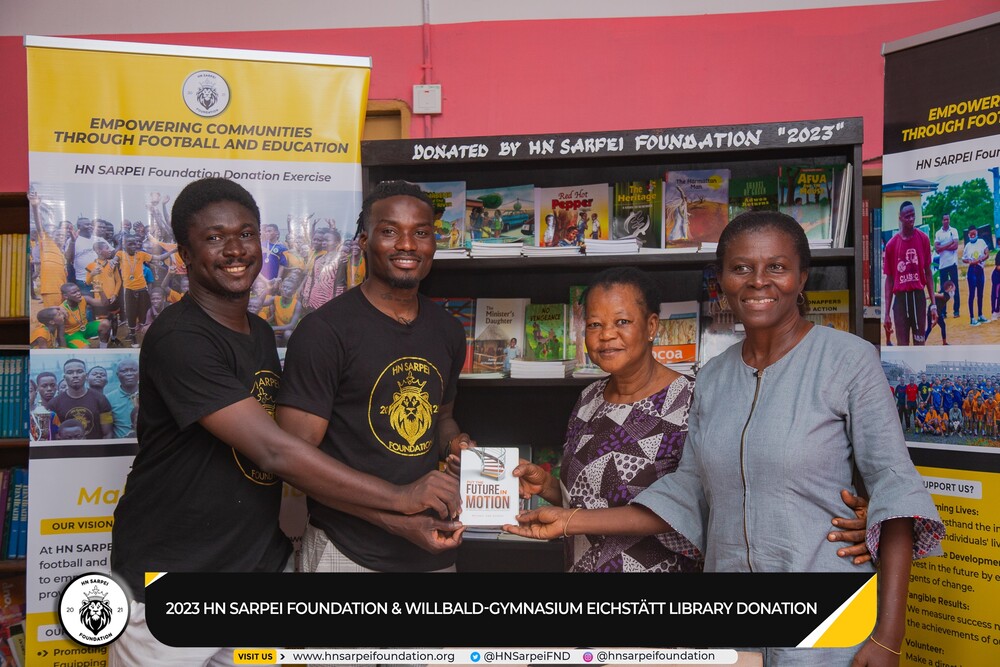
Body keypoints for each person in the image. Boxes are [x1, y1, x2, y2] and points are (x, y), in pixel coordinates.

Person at [506, 211, 944, 665]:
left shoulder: (849, 361)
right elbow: (688, 488)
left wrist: (888, 636)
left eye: (777, 266)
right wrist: (569, 519)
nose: (758, 281)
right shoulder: (713, 377)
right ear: (722, 280)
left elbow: (895, 489)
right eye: (741, 268)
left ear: (801, 277)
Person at [109, 178, 462, 666]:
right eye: (214, 238)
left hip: (256, 568)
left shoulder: (255, 331)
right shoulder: (179, 338)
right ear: (185, 255)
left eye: (246, 234)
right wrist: (401, 500)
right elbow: (277, 451)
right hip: (172, 576)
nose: (236, 250)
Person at [511, 266, 870, 575]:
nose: (606, 335)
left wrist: (572, 521)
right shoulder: (588, 399)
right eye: (594, 324)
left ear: (651, 326)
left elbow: (694, 502)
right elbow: (591, 496)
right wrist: (548, 486)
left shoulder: (692, 398)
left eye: (622, 322)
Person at [277, 180, 473, 575]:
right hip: (347, 551)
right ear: (365, 241)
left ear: (434, 243)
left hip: (432, 549)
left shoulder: (448, 330)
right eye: (390, 231)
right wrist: (397, 513)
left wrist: (457, 446)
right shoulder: (324, 332)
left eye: (421, 232)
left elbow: (442, 418)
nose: (407, 245)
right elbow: (294, 461)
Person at [883, 201, 933, 345]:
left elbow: (928, 272)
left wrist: (934, 304)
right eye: (907, 216)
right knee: (902, 344)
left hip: (918, 297)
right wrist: (886, 313)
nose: (911, 219)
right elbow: (889, 280)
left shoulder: (923, 239)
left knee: (919, 342)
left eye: (913, 215)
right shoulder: (891, 245)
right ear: (900, 218)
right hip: (900, 299)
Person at [48, 358, 114, 439]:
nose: (75, 375)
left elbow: (107, 434)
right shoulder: (54, 404)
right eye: (70, 372)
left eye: (79, 371)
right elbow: (53, 436)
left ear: (86, 376)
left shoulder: (101, 399)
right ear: (64, 377)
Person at [59, 282, 112, 348]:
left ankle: (103, 349)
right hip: (72, 334)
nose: (78, 293)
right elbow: (60, 333)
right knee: (86, 348)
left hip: (85, 327)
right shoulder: (62, 310)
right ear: (65, 296)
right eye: (74, 293)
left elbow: (104, 304)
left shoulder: (84, 299)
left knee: (105, 323)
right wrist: (63, 348)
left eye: (78, 291)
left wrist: (101, 292)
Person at [962, 225, 990, 326]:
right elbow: (963, 259)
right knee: (972, 294)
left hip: (980, 270)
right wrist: (970, 261)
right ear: (968, 235)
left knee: (980, 294)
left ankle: (980, 315)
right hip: (972, 271)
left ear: (977, 233)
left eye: (974, 234)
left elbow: (987, 253)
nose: (973, 236)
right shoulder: (967, 246)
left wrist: (980, 259)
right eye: (971, 234)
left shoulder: (981, 242)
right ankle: (972, 318)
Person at [934, 213, 960, 317]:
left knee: (955, 287)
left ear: (949, 220)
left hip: (952, 263)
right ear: (942, 221)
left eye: (947, 219)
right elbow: (937, 249)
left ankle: (956, 310)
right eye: (944, 219)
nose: (946, 221)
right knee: (943, 289)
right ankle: (943, 312)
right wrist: (949, 243)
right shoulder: (938, 233)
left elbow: (955, 246)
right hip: (943, 265)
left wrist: (942, 247)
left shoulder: (954, 231)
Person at [107, 358, 139, 439]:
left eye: (133, 370)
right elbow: (107, 429)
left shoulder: (150, 395)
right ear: (117, 374)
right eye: (124, 371)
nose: (129, 374)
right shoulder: (108, 399)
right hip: (120, 444)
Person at [925, 280, 955, 345]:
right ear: (950, 287)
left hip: (931, 309)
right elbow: (935, 295)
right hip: (936, 312)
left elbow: (936, 294)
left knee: (930, 328)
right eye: (953, 288)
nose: (954, 290)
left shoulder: (943, 292)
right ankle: (944, 342)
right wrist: (926, 297)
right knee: (941, 326)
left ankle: (921, 342)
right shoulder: (946, 295)